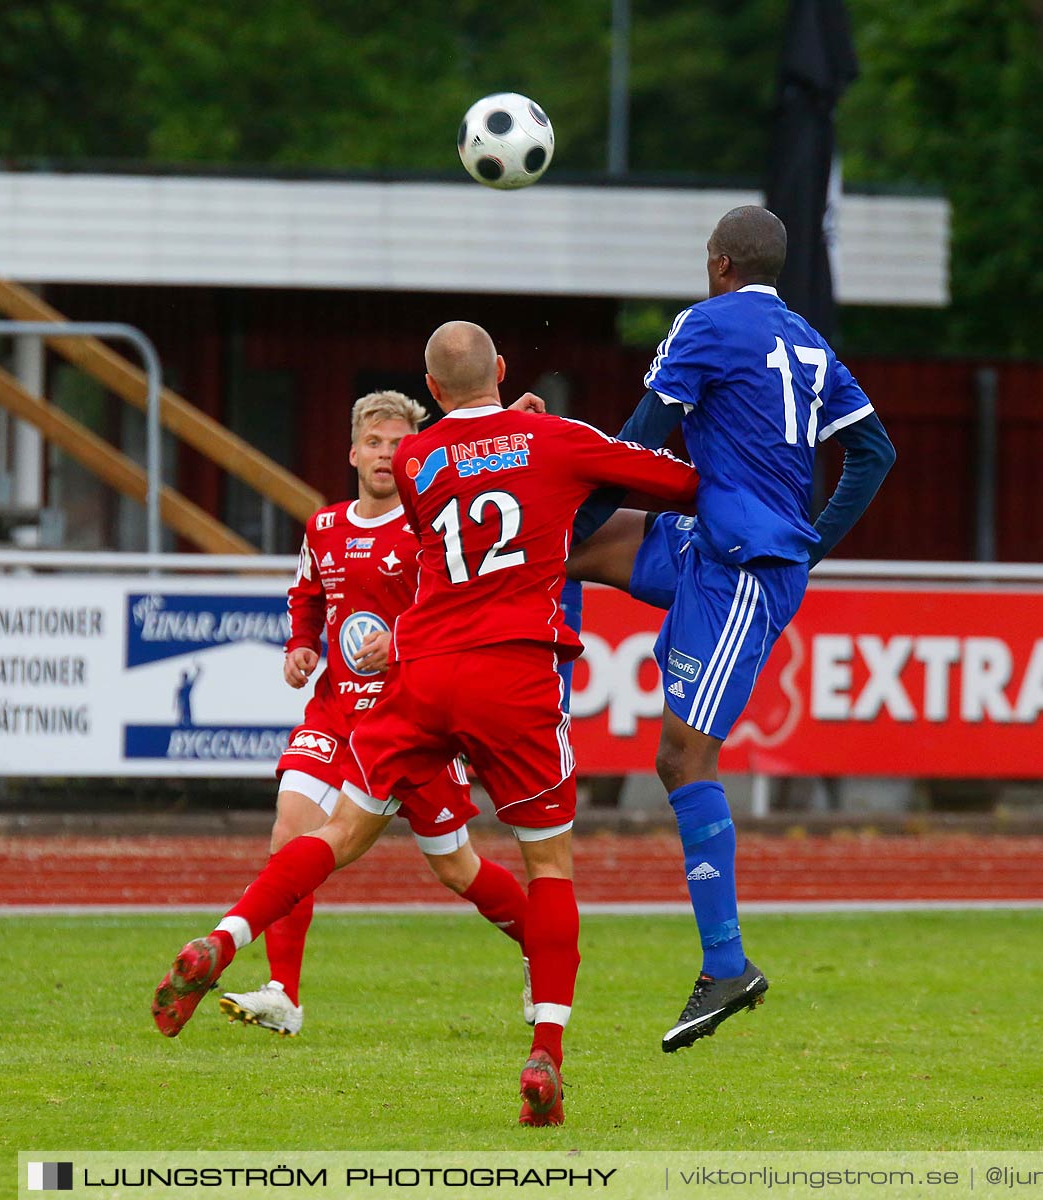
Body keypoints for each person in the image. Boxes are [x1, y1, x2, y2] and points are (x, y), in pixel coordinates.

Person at [150, 322, 700, 1128]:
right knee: (548, 864)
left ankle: (225, 941)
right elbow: (677, 485)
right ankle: (545, 1048)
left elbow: (459, 477)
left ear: (431, 395)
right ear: (503, 371)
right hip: (511, 672)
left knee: (337, 832)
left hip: (420, 671)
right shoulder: (555, 438)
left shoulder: (416, 459)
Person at [533, 205, 896, 1054]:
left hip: (743, 568)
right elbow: (874, 451)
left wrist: (797, 550)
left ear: (720, 263)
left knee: (681, 757)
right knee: (564, 550)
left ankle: (726, 965)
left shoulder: (704, 324)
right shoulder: (808, 342)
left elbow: (638, 440)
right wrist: (819, 541)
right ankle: (548, 707)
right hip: (711, 541)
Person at [213, 390, 533, 1039]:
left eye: (397, 443)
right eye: (376, 442)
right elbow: (308, 595)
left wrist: (406, 641)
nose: (386, 454)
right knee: (290, 834)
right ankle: (283, 992)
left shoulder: (429, 529)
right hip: (334, 715)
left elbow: (458, 608)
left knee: (456, 867)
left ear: (412, 452)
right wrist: (302, 644)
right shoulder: (324, 527)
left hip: (411, 722)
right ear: (354, 450)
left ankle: (541, 941)